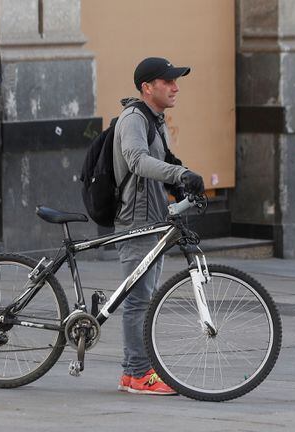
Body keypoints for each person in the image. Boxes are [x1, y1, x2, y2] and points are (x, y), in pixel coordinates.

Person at [112, 57, 205, 395]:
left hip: (153, 217)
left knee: (144, 296)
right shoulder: (134, 119)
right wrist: (179, 174)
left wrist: (182, 186)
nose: (175, 87)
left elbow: (162, 163)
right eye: (168, 82)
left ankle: (130, 372)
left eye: (176, 81)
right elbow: (137, 160)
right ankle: (138, 374)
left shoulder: (155, 120)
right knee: (138, 300)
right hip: (136, 219)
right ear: (147, 87)